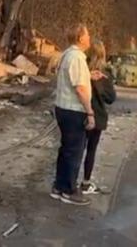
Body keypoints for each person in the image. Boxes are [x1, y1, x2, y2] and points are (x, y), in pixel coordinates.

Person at [50, 24, 98, 206]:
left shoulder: (66, 54)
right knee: (75, 151)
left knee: (65, 149)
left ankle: (59, 185)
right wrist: (90, 112)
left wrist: (88, 75)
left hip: (62, 107)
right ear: (80, 38)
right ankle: (69, 190)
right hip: (73, 110)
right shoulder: (77, 58)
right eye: (87, 34)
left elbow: (73, 78)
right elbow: (80, 89)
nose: (89, 37)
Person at [80, 39, 117, 195]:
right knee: (91, 150)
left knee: (77, 148)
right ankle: (86, 181)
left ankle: (70, 178)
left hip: (80, 113)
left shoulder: (82, 71)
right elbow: (111, 98)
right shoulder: (105, 75)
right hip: (98, 116)